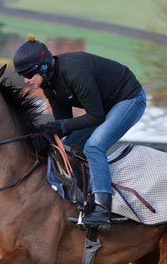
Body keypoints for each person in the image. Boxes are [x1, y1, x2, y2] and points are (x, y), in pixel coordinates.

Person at [13, 34, 146, 231]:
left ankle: (102, 209)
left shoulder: (75, 72)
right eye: (22, 75)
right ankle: (83, 199)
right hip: (103, 106)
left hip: (128, 99)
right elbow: (64, 125)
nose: (26, 80)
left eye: (29, 75)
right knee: (67, 146)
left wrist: (60, 127)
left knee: (94, 146)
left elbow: (96, 116)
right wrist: (45, 134)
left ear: (43, 67)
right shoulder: (49, 85)